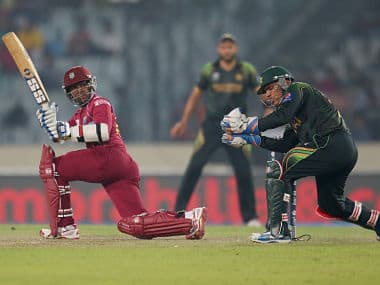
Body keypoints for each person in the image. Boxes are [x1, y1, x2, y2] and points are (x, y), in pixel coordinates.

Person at [36, 65, 207, 240]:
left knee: (52, 167)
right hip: (120, 166)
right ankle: (190, 219)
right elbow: (61, 136)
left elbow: (101, 132)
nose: (79, 91)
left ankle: (65, 227)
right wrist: (49, 124)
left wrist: (65, 130)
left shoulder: (100, 103)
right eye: (74, 88)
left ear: (91, 84)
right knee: (135, 223)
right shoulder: (80, 114)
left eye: (82, 85)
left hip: (108, 156)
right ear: (69, 93)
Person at [221, 65, 380, 243]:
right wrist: (248, 139)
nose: (267, 96)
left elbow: (282, 117)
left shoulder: (298, 88)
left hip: (331, 144)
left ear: (281, 83)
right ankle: (378, 222)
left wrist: (247, 124)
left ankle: (279, 231)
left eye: (268, 89)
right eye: (264, 92)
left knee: (279, 169)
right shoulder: (297, 114)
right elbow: (285, 144)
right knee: (332, 205)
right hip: (341, 150)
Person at [170, 33, 261, 226]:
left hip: (238, 127)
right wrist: (184, 122)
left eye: (230, 47)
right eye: (223, 47)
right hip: (212, 125)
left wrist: (273, 113)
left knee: (243, 171)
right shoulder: (209, 70)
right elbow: (195, 96)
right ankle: (178, 213)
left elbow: (261, 93)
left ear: (235, 49)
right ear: (219, 49)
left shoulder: (246, 70)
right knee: (194, 167)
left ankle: (250, 217)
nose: (227, 50)